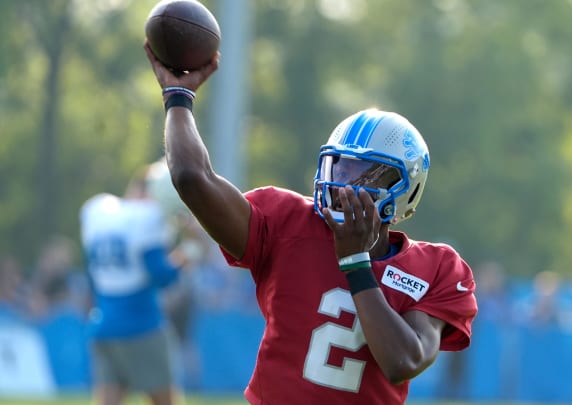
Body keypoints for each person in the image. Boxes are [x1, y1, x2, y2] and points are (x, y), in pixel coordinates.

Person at [144, 43, 478, 404]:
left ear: (403, 190)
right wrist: (179, 97)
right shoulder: (286, 221)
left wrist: (355, 263)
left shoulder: (438, 268)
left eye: (363, 175)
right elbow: (194, 178)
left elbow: (403, 360)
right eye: (340, 167)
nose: (344, 185)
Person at [79, 159, 194, 405]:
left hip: (103, 325)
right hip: (141, 326)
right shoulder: (144, 218)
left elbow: (92, 274)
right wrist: (189, 253)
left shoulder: (99, 210)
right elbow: (162, 276)